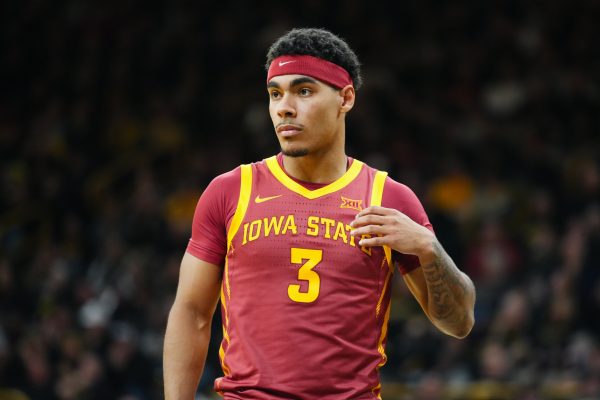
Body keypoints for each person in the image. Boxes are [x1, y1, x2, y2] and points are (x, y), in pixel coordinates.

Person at [163, 28, 476, 399]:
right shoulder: (230, 191)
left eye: (304, 91)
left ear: (345, 98)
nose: (284, 107)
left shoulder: (388, 198)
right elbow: (192, 313)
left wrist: (428, 247)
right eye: (275, 94)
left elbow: (458, 323)